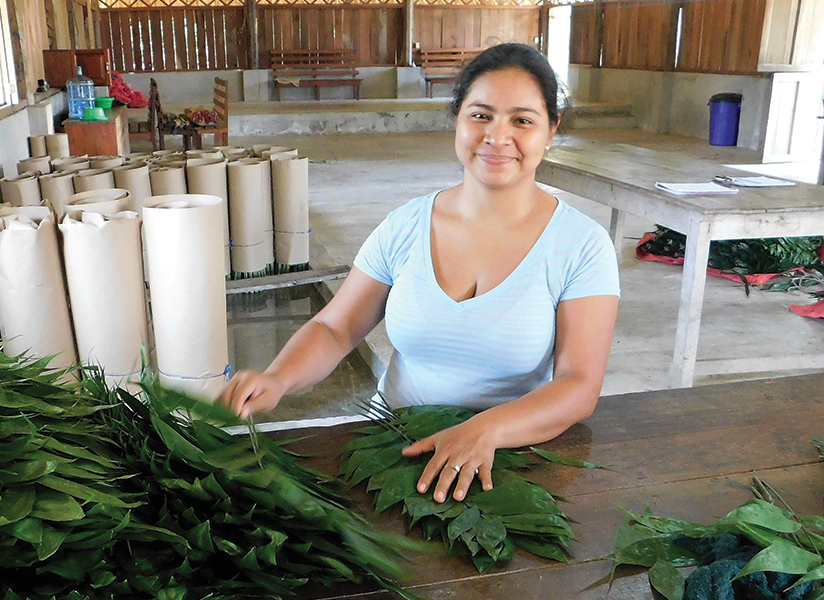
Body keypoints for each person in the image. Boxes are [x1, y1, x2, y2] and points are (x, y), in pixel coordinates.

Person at [219, 43, 620, 504]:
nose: (497, 136)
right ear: (458, 119)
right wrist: (277, 378)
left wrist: (485, 429)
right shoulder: (406, 225)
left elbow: (578, 385)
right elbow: (335, 326)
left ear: (552, 129)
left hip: (508, 450)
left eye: (522, 120)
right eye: (481, 115)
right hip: (394, 443)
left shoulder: (580, 244)